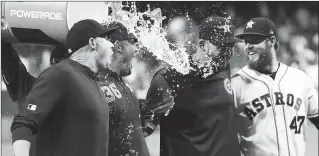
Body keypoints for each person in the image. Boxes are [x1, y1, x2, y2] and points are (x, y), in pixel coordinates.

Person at [10, 19, 117, 156]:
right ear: (92, 43)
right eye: (107, 39)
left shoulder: (93, 81)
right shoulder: (61, 74)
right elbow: (23, 123)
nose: (112, 45)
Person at [141, 16, 242, 156]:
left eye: (230, 46)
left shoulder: (223, 66)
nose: (227, 53)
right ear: (201, 44)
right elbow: (140, 130)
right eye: (221, 46)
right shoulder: (168, 79)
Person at [232, 17, 318, 156]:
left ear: (271, 41)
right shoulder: (237, 83)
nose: (248, 46)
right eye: (246, 41)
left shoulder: (299, 78)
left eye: (254, 40)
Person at [100, 22, 151, 156]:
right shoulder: (96, 83)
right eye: (133, 42)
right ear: (119, 47)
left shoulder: (121, 83)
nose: (136, 49)